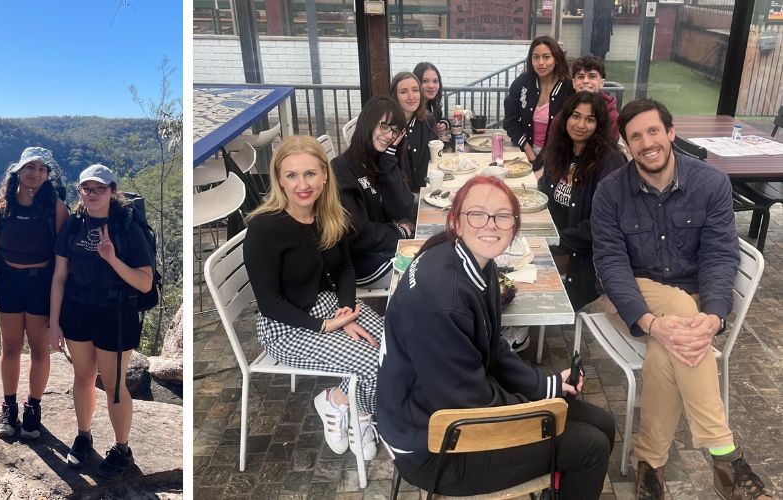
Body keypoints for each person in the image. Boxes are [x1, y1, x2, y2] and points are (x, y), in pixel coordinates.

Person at [379, 175, 614, 499]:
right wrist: (538, 412)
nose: (490, 224)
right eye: (477, 213)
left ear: (515, 225)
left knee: (602, 423)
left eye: (502, 215)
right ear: (457, 221)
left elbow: (491, 346)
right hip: (432, 447)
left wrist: (546, 387)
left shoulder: (473, 261)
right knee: (590, 446)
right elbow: (471, 404)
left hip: (450, 408)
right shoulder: (443, 303)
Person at [591, 99, 773, 500]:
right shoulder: (610, 193)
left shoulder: (710, 183)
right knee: (678, 314)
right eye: (635, 136)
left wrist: (713, 315)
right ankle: (725, 455)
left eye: (653, 131)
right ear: (626, 145)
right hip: (632, 297)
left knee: (667, 347)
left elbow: (719, 255)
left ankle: (649, 463)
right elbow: (611, 267)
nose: (646, 142)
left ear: (671, 133)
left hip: (690, 302)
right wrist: (650, 322)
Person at [245, 135, 385, 461]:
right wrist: (327, 325)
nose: (301, 185)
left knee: (394, 346)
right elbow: (269, 303)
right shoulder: (265, 229)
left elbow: (346, 268)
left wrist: (346, 311)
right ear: (279, 179)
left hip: (329, 306)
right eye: (291, 175)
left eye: (310, 173)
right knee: (370, 364)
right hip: (287, 327)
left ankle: (338, 400)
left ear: (325, 174)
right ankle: (359, 415)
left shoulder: (328, 213)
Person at [50, 164, 153, 478]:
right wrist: (54, 323)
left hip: (116, 313)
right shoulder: (73, 225)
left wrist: (112, 258)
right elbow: (59, 277)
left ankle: (122, 449)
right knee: (82, 377)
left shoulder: (127, 228)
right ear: (80, 191)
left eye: (98, 188)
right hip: (78, 309)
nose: (91, 194)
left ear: (112, 190)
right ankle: (83, 436)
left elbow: (145, 282)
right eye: (86, 188)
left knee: (114, 386)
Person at [0, 147, 68, 440]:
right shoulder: (0, 205)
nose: (36, 174)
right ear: (18, 170)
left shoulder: (55, 206)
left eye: (42, 169)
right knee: (10, 347)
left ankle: (33, 407)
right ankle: (9, 406)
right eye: (31, 168)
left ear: (48, 175)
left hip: (41, 284)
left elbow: (63, 255)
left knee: (40, 349)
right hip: (9, 281)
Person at [537, 92, 625, 310]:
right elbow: (546, 194)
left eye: (590, 119)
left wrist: (553, 242)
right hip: (556, 238)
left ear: (599, 125)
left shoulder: (609, 161)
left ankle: (522, 327)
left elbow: (603, 224)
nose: (581, 124)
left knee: (529, 270)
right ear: (566, 118)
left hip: (584, 252)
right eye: (576, 116)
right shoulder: (560, 151)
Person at [333, 96, 415, 288]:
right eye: (384, 127)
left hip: (384, 250)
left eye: (395, 131)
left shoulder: (378, 160)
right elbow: (356, 233)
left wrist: (389, 160)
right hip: (361, 264)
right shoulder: (342, 169)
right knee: (428, 276)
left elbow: (403, 207)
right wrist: (398, 231)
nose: (389, 136)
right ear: (368, 123)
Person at [503, 36, 574, 170]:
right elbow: (510, 121)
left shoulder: (569, 87)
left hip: (558, 157)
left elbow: (569, 129)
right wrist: (529, 151)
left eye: (546, 57)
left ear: (557, 59)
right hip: (524, 153)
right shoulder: (522, 82)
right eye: (535, 57)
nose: (540, 62)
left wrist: (544, 158)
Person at [388, 71, 440, 191]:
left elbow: (431, 158)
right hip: (398, 193)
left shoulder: (428, 119)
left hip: (425, 188)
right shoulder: (387, 126)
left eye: (415, 90)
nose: (411, 97)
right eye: (404, 92)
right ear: (395, 96)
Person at [571, 54, 620, 143]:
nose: (585, 81)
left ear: (601, 83)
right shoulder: (565, 109)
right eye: (581, 77)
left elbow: (610, 150)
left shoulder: (611, 116)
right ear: (574, 83)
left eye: (592, 76)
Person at [413, 62, 449, 133]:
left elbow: (438, 119)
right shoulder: (411, 110)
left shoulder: (432, 105)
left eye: (435, 81)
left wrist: (444, 123)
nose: (431, 86)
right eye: (425, 81)